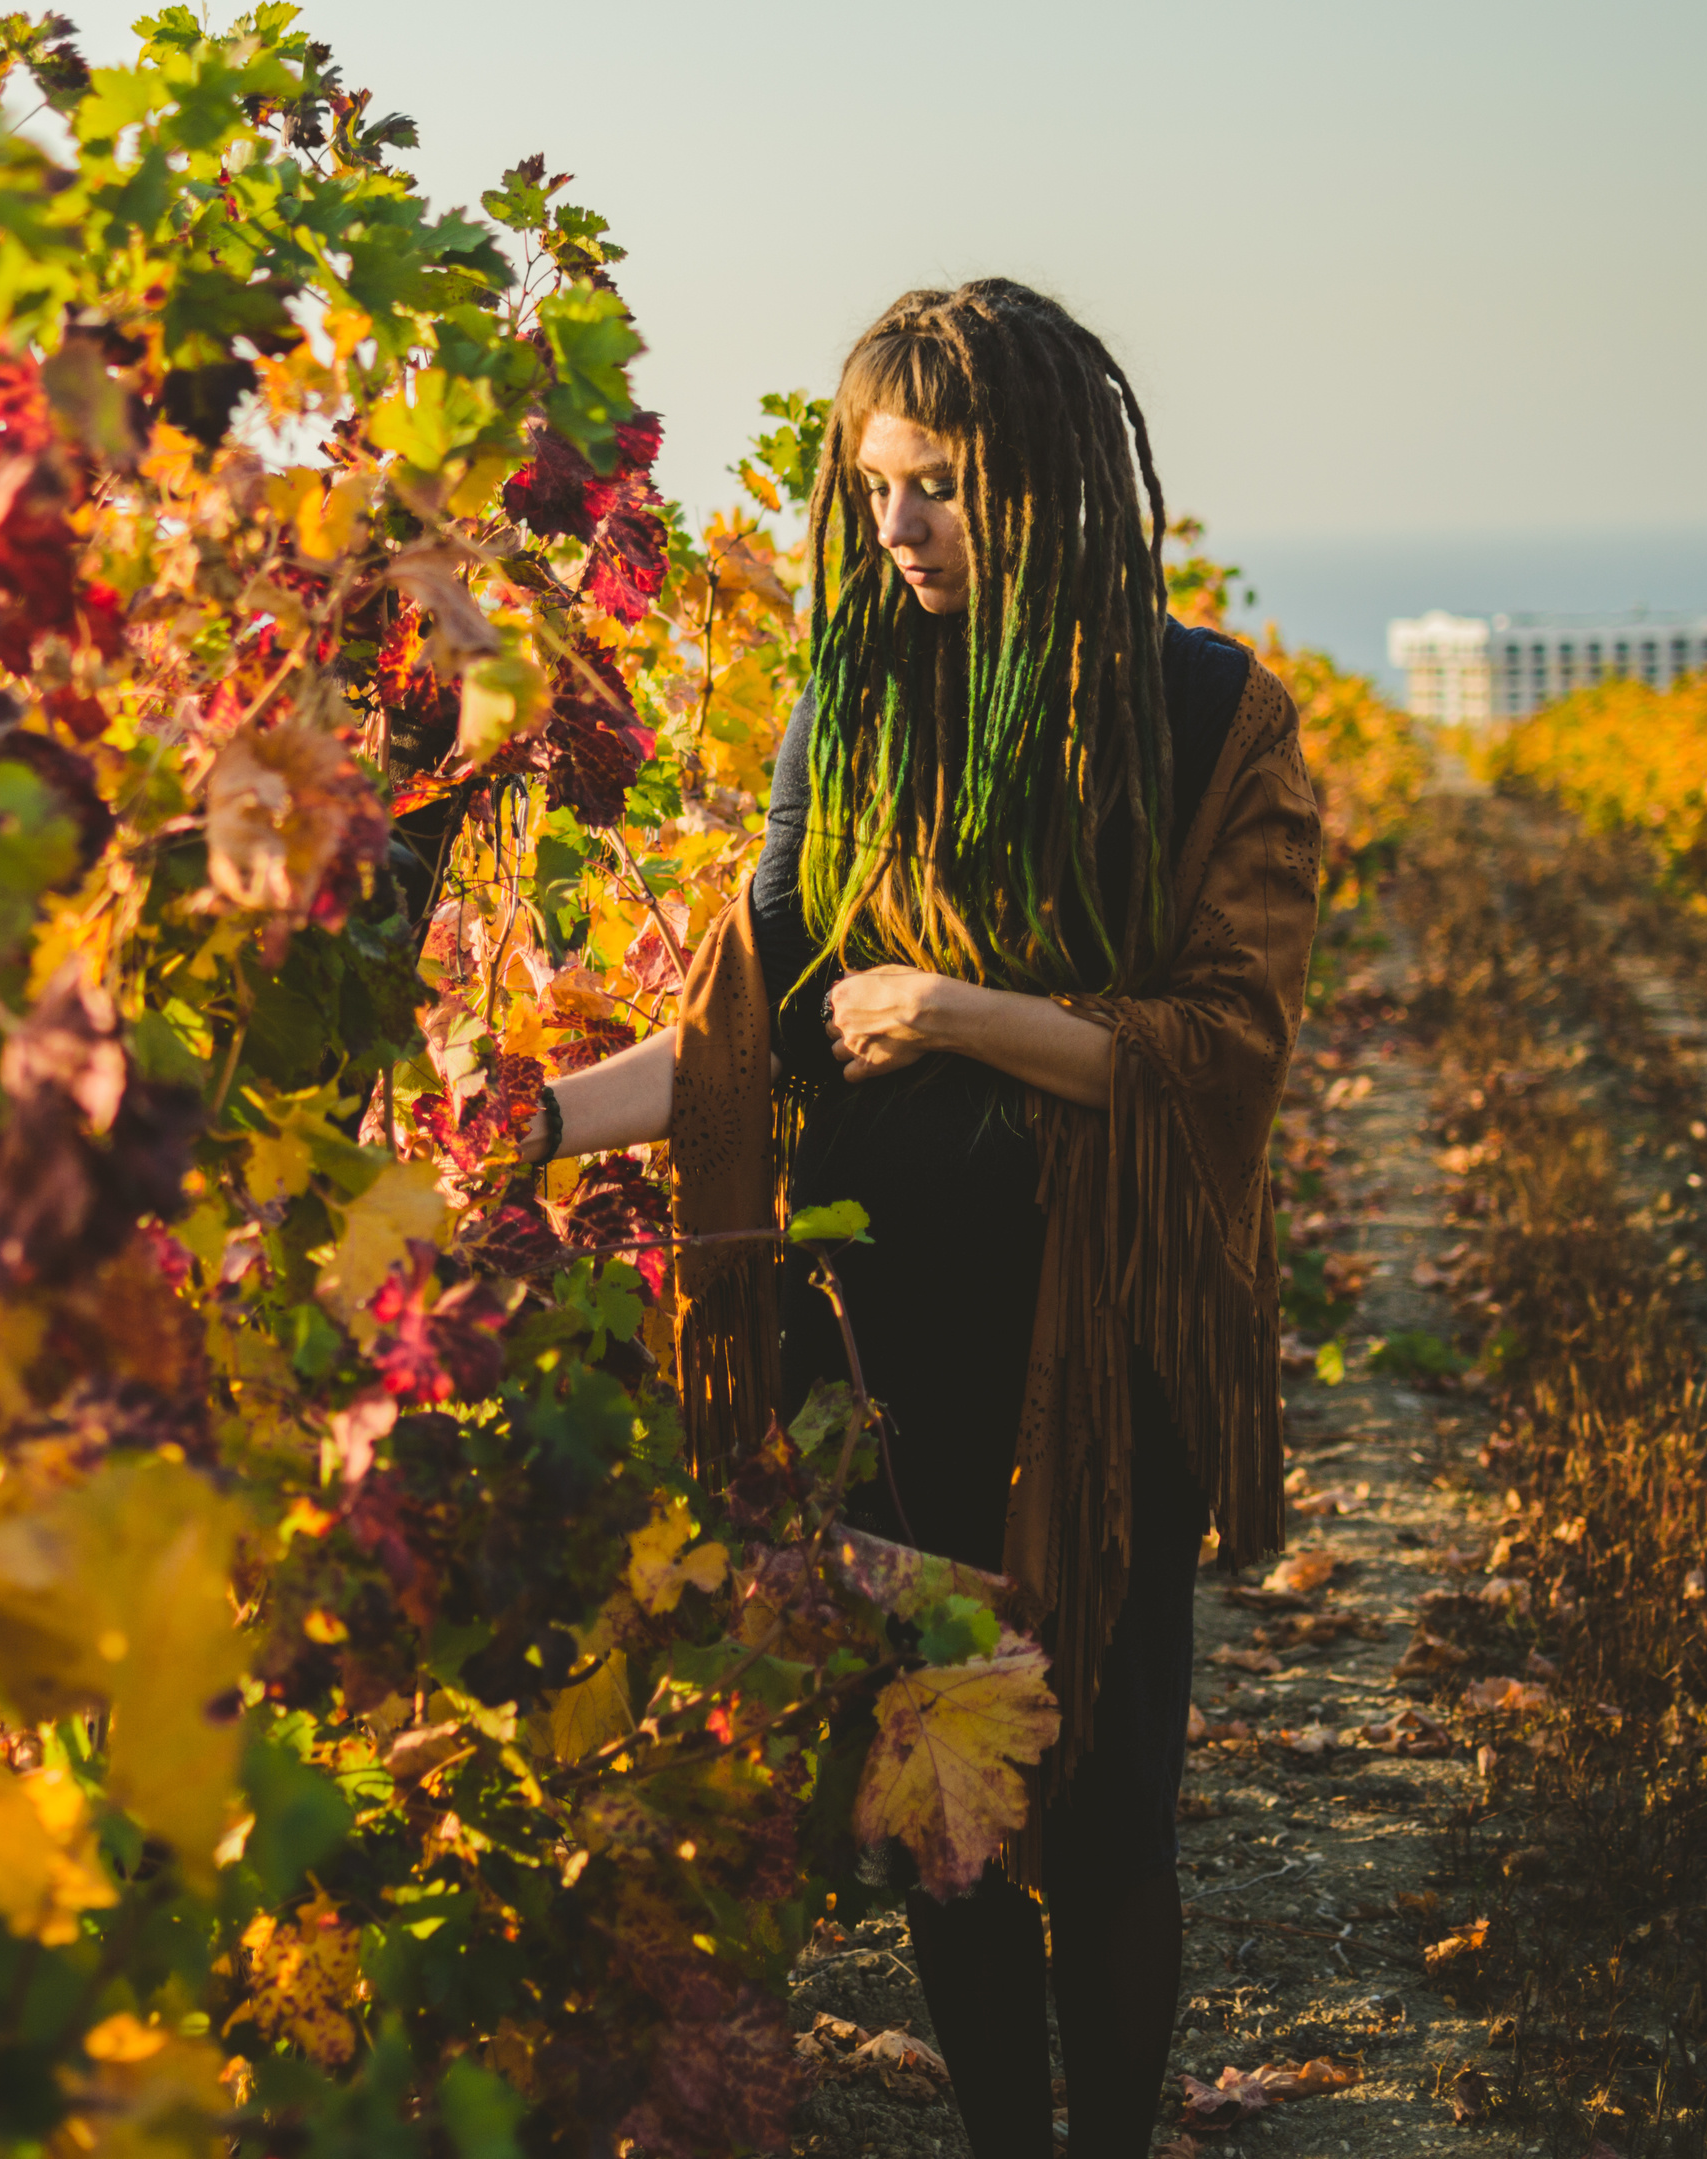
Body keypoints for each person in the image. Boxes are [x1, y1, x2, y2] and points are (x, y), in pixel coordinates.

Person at [519, 279, 1321, 2159]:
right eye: (876, 490)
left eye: (941, 487)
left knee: (1110, 1808)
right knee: (942, 1818)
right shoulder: (853, 706)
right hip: (887, 1361)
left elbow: (1225, 1043)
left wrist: (955, 1011)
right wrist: (534, 1123)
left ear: (1040, 484)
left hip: (1102, 1348)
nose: (899, 531)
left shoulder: (1206, 717)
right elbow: (747, 1026)